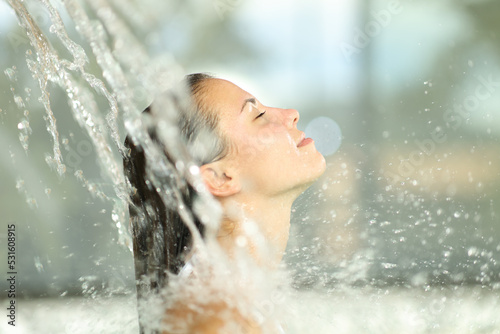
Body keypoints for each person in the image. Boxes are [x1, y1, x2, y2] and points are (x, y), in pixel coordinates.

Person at [123, 73, 326, 333]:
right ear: (219, 177)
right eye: (259, 116)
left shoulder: (229, 302)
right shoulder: (217, 319)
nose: (291, 114)